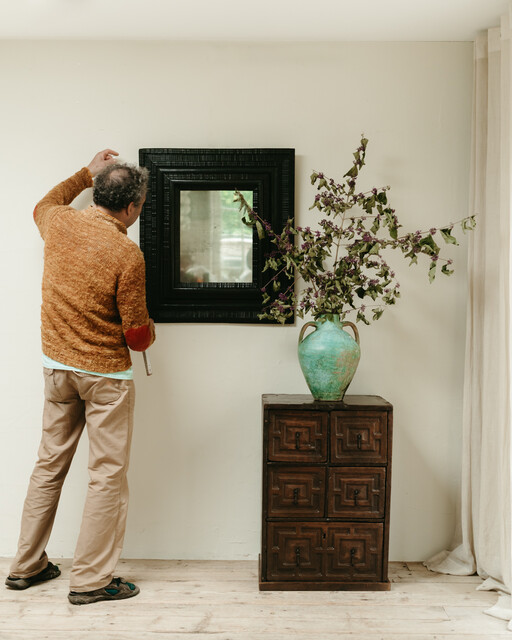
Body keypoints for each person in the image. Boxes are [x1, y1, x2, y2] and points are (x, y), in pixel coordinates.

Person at [5, 150, 155, 605]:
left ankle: (27, 566)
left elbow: (43, 204)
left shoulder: (59, 222)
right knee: (106, 475)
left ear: (97, 192)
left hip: (57, 372)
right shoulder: (127, 253)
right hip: (105, 380)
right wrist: (151, 330)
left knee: (49, 465)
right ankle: (90, 580)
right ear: (130, 208)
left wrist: (83, 173)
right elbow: (137, 337)